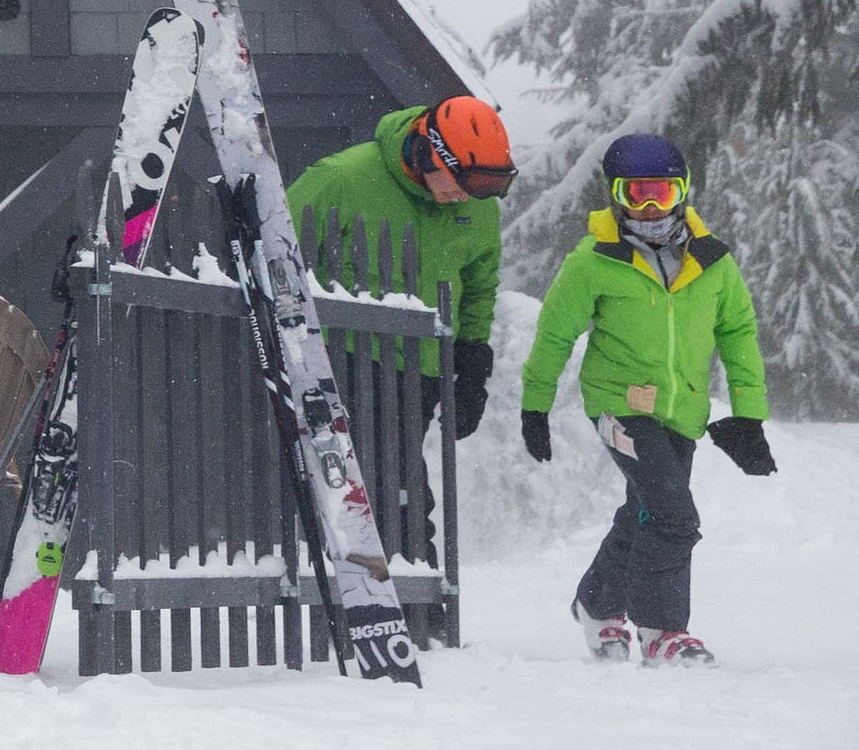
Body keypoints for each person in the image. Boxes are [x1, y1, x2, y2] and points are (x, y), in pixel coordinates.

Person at [520, 133, 775, 667]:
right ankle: (661, 631)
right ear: (616, 196)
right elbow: (554, 334)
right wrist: (535, 405)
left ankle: (596, 602)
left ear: (683, 191)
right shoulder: (593, 261)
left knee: (646, 510)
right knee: (675, 517)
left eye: (663, 192)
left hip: (681, 412)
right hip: (621, 407)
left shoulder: (712, 261)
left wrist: (749, 414)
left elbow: (739, 332)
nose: (652, 207)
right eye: (638, 194)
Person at [285, 96, 513, 555]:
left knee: (399, 487)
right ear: (430, 154)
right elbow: (278, 248)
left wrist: (472, 367)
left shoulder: (477, 206)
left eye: (482, 187)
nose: (464, 196)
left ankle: (407, 594)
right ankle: (407, 597)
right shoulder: (342, 179)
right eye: (461, 182)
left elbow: (480, 286)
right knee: (378, 488)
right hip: (343, 363)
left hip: (421, 372)